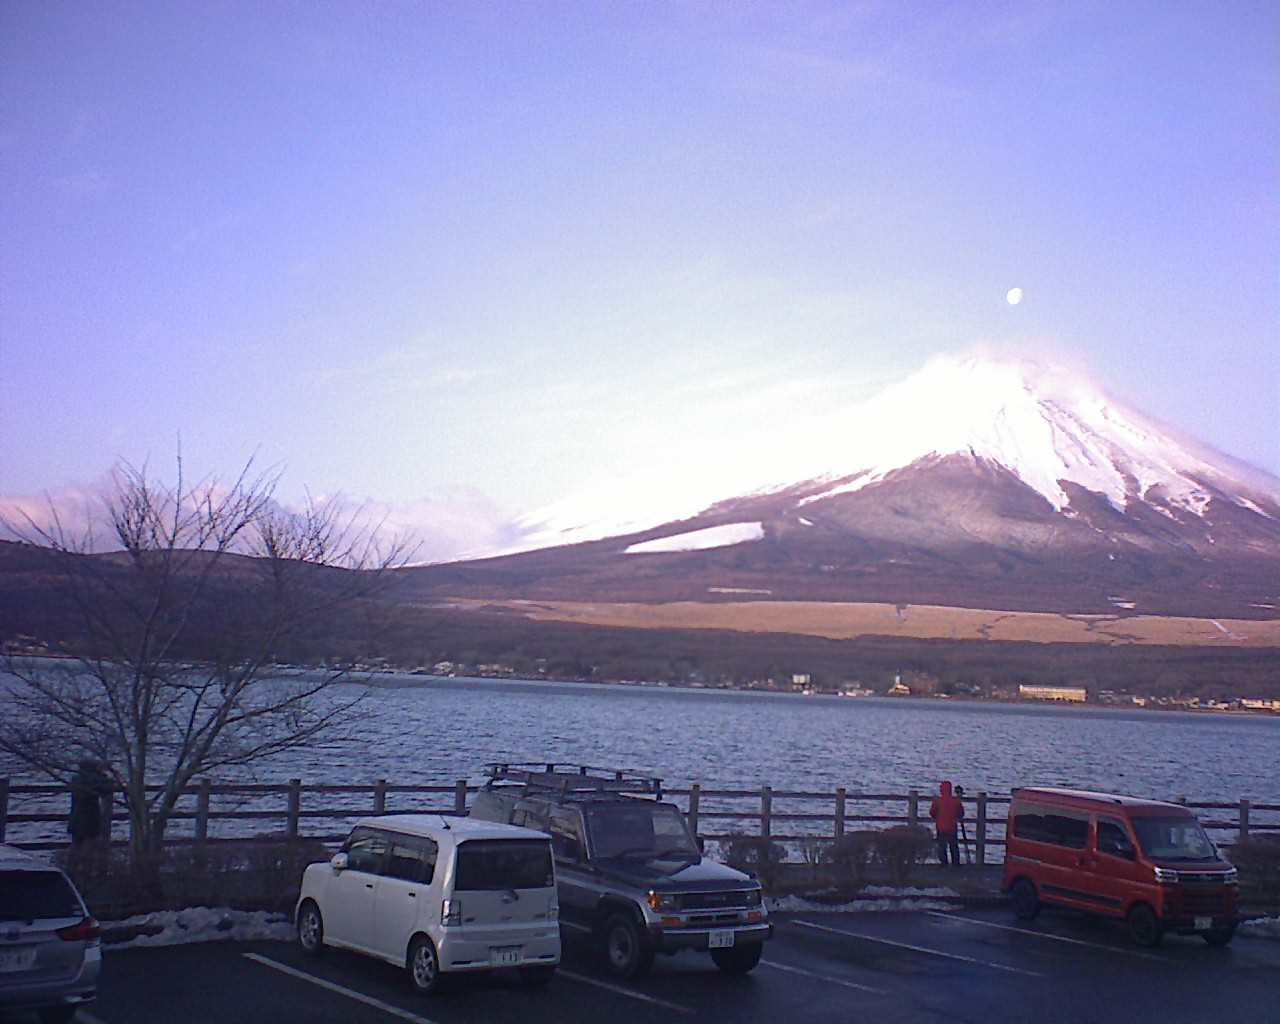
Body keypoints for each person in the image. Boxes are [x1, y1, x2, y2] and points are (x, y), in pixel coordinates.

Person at [68, 760, 113, 850]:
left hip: (77, 817)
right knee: (89, 845)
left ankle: (76, 861)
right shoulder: (92, 780)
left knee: (77, 844)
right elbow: (107, 788)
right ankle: (85, 861)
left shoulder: (77, 779)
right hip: (90, 818)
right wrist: (108, 776)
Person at [929, 780, 964, 868]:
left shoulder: (937, 801)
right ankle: (955, 864)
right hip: (952, 826)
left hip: (941, 826)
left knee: (942, 846)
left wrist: (937, 818)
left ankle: (943, 863)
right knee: (954, 846)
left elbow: (932, 812)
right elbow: (961, 813)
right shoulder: (955, 801)